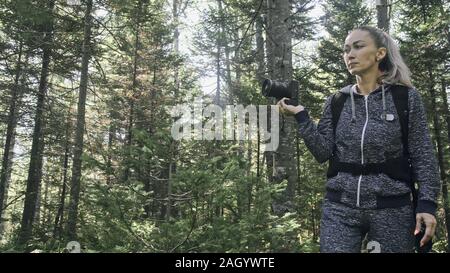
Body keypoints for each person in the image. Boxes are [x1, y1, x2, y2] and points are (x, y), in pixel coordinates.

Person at [277, 25, 440, 253]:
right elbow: (323, 152)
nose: (349, 54)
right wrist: (302, 117)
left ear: (379, 54)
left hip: (391, 209)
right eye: (346, 50)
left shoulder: (405, 98)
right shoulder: (337, 100)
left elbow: (423, 155)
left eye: (358, 46)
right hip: (340, 207)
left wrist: (427, 204)